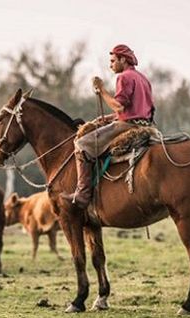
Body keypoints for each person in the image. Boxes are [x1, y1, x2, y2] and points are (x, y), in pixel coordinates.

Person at [61, 44, 155, 209]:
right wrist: (107, 119)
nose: (110, 65)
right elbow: (134, 110)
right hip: (146, 125)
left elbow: (119, 106)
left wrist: (101, 89)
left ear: (122, 59)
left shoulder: (124, 77)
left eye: (113, 61)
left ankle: (82, 194)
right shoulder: (143, 78)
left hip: (128, 127)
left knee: (81, 144)